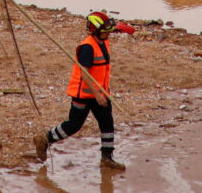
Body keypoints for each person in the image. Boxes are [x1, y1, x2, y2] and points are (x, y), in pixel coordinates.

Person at [37, 11, 135, 169]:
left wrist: (124, 29)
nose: (108, 34)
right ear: (96, 31)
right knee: (74, 125)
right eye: (105, 31)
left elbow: (111, 29)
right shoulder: (87, 48)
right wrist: (97, 95)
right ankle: (45, 139)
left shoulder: (103, 40)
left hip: (101, 92)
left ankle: (107, 158)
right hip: (84, 94)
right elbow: (85, 73)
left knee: (107, 122)